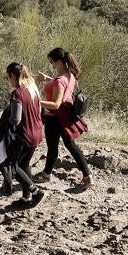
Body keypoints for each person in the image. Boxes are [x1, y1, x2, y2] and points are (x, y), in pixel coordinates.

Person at [0, 62, 46, 208]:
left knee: (12, 167)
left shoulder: (17, 93)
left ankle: (35, 191)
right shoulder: (32, 87)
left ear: (13, 76)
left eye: (7, 77)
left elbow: (16, 119)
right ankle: (26, 198)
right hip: (37, 133)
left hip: (24, 135)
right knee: (24, 164)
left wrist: (5, 119)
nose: (7, 80)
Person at [36, 47, 92, 188]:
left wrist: (33, 101)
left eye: (52, 62)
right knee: (71, 145)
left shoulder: (60, 80)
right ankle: (88, 176)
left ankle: (46, 175)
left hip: (55, 118)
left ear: (59, 61)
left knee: (53, 148)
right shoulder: (70, 75)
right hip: (65, 117)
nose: (52, 65)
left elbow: (55, 104)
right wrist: (47, 79)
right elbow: (61, 84)